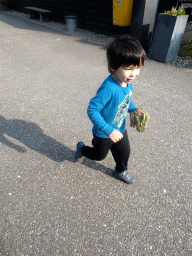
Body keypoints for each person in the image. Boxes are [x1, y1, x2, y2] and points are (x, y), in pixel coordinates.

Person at [75, 35, 146, 184]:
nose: (134, 73)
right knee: (98, 156)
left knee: (125, 152)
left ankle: (120, 170)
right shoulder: (108, 88)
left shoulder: (128, 83)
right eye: (128, 69)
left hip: (120, 127)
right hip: (104, 132)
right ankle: (82, 149)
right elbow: (92, 109)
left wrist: (134, 110)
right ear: (113, 68)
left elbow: (125, 101)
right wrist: (108, 130)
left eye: (137, 68)